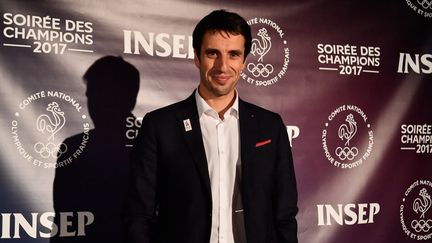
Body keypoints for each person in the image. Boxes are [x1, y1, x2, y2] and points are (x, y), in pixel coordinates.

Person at [123, 9, 298, 243]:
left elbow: (284, 214)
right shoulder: (160, 126)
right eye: (212, 53)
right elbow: (138, 214)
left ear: (244, 61)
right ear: (197, 57)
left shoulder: (270, 126)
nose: (223, 66)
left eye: (233, 54)